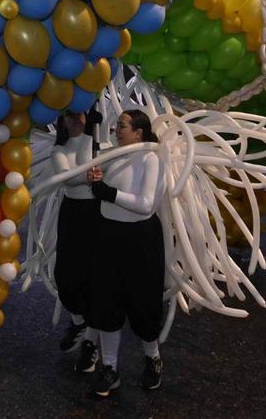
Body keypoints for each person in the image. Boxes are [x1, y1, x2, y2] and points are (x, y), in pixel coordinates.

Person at [87, 109, 165, 397]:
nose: (117, 130)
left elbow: (145, 204)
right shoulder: (113, 154)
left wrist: (107, 192)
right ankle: (109, 368)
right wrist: (94, 180)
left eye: (123, 126)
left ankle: (153, 357)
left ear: (139, 132)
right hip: (108, 235)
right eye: (117, 125)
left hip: (140, 240)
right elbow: (99, 181)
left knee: (143, 302)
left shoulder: (150, 158)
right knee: (106, 301)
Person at [50, 109, 101, 372]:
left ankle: (91, 345)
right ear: (61, 122)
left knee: (95, 278)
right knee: (66, 275)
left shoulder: (97, 142)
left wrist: (93, 135)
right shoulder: (58, 150)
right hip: (73, 214)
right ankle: (79, 321)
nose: (76, 120)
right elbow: (67, 178)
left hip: (97, 213)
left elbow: (95, 165)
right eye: (69, 117)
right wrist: (86, 177)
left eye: (80, 115)